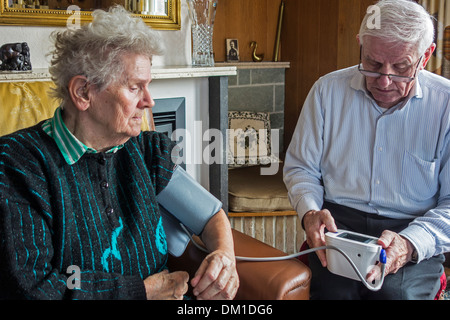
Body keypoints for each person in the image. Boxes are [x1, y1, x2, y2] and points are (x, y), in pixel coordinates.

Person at [0, 6, 239, 300]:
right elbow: (33, 289)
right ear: (83, 92)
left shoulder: (145, 151)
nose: (149, 102)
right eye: (134, 88)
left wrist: (224, 255)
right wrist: (143, 291)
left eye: (148, 86)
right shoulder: (19, 165)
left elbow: (211, 215)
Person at [284, 0, 450, 300]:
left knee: (394, 296)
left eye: (401, 68)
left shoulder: (446, 105)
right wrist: (309, 211)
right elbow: (301, 168)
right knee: (330, 294)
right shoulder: (326, 91)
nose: (385, 80)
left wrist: (409, 244)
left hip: (411, 229)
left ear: (426, 56)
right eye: (373, 64)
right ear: (360, 44)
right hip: (339, 226)